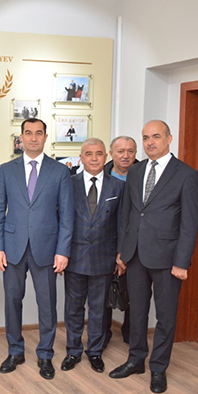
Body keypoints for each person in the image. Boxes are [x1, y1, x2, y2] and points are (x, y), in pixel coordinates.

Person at [109, 120, 198, 394]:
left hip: (168, 259)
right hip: (135, 255)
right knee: (137, 312)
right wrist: (122, 251)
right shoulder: (136, 171)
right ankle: (136, 359)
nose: (150, 142)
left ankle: (158, 368)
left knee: (165, 316)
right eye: (146, 137)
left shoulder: (186, 174)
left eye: (156, 137)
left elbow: (189, 223)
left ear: (169, 139)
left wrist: (181, 262)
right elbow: (127, 213)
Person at [0, 118, 73, 379]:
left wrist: (63, 250)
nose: (34, 138)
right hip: (12, 248)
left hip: (47, 249)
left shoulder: (59, 171)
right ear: (21, 137)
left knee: (47, 305)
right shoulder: (6, 170)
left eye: (39, 133)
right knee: (12, 302)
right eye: (28, 133)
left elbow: (67, 216)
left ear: (46, 137)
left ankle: (45, 354)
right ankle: (15, 351)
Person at [61, 138, 125, 374]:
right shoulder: (68, 184)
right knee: (74, 308)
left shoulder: (118, 187)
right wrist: (61, 253)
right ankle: (73, 350)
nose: (94, 158)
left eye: (99, 154)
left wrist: (120, 254)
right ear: (81, 158)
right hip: (74, 256)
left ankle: (95, 352)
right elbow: (61, 220)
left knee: (99, 309)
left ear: (106, 157)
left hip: (104, 258)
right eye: (89, 154)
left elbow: (122, 223)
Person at [102, 135, 139, 347]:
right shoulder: (101, 174)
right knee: (103, 292)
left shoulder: (144, 174)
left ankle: (131, 334)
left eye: (130, 151)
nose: (126, 156)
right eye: (120, 151)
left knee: (136, 292)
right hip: (106, 244)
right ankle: (103, 334)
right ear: (111, 153)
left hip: (136, 244)